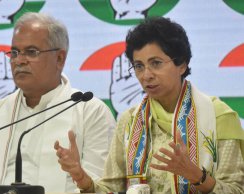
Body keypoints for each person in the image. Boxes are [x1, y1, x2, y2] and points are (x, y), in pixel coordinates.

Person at [55, 17, 244, 193]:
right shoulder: (129, 120)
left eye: (156, 63)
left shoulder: (219, 116)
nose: (146, 75)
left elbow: (236, 190)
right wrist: (83, 179)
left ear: (182, 64)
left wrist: (195, 175)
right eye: (139, 66)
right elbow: (112, 188)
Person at [0, 12, 116, 192]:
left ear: (60, 58)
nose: (19, 61)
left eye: (31, 52)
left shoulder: (90, 111)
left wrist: (81, 176)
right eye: (15, 52)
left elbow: (103, 187)